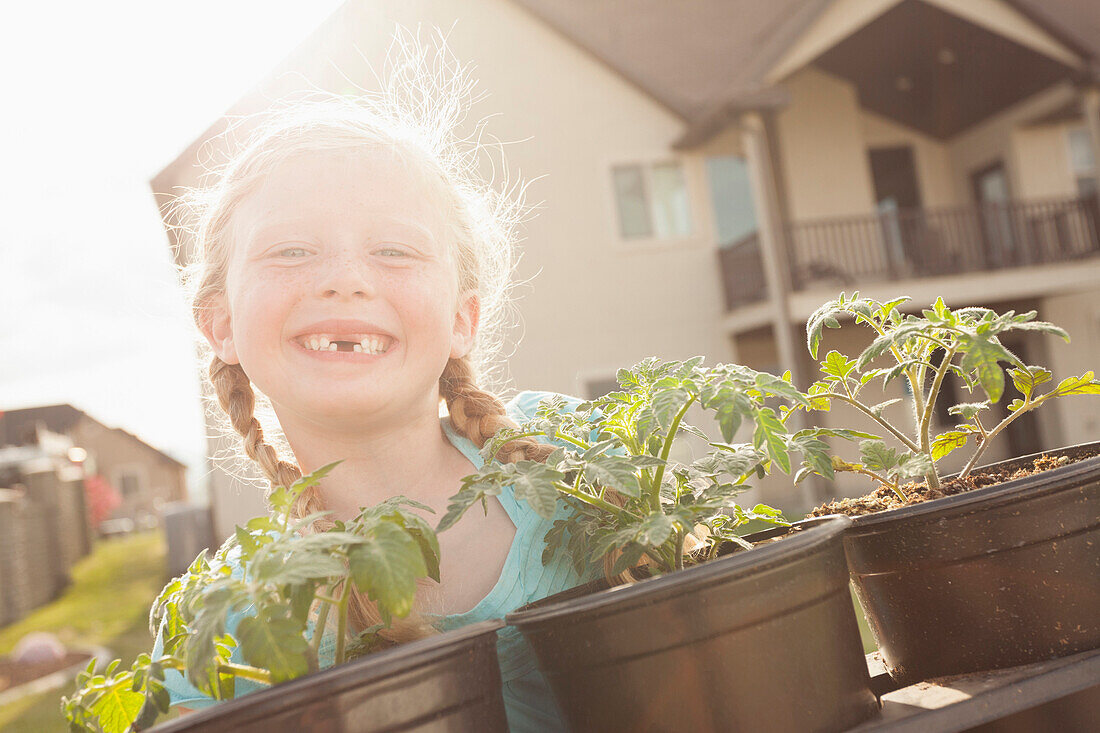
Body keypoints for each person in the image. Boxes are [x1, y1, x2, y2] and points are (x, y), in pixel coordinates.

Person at [151, 38, 600, 732]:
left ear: (460, 320)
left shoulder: (573, 455)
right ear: (221, 323)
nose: (346, 278)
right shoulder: (226, 624)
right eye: (292, 249)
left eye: (394, 250)